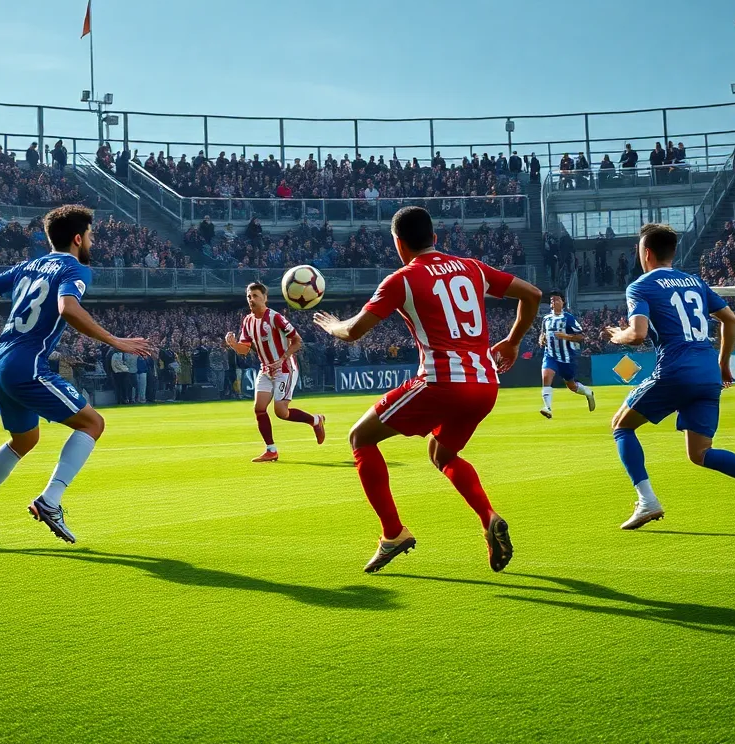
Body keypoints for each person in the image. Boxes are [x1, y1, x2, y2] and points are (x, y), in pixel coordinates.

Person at [313, 206, 542, 573]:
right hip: (485, 385)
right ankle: (488, 518)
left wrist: (332, 326)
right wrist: (513, 341)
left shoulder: (402, 279)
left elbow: (354, 331)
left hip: (441, 382)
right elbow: (532, 293)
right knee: (442, 454)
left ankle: (393, 534)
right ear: (435, 237)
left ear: (398, 243)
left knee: (360, 438)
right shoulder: (473, 267)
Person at [0, 204, 154, 546]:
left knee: (25, 440)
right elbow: (67, 308)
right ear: (77, 238)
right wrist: (115, 341)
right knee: (92, 424)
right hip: (27, 365)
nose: (92, 241)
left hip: (0, 362)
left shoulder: (30, 265)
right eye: (90, 235)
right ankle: (50, 500)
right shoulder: (75, 269)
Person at [603, 223, 735, 531]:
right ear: (672, 252)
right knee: (700, 453)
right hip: (707, 373)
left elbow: (638, 334)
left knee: (621, 427)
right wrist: (723, 363)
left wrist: (618, 336)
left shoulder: (641, 286)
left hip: (675, 370)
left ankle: (647, 500)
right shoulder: (694, 281)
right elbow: (729, 320)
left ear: (645, 253)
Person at [224, 282, 326, 462]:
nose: (252, 300)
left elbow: (297, 340)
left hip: (284, 368)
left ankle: (315, 420)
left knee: (281, 412)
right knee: (259, 408)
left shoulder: (275, 317)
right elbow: (244, 350)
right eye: (249, 296)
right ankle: (271, 450)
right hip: (265, 369)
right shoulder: (247, 321)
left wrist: (283, 357)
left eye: (255, 296)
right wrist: (233, 344)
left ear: (265, 298)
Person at [537, 291, 595, 419]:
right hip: (550, 355)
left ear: (563, 302)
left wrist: (566, 336)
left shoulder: (569, 318)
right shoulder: (546, 319)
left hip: (567, 358)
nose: (554, 302)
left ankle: (588, 392)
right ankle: (547, 407)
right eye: (552, 300)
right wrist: (541, 338)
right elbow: (543, 333)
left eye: (557, 300)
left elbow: (581, 337)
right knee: (546, 378)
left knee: (571, 386)